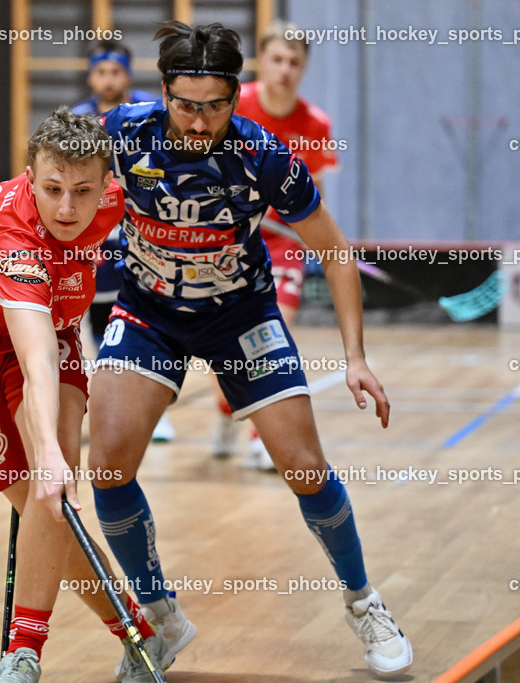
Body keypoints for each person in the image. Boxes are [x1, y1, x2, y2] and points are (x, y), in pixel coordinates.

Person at [87, 22, 413, 678]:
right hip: (149, 312)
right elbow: (43, 183)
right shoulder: (123, 132)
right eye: (185, 103)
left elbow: (335, 252)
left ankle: (364, 601)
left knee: (302, 466)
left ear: (237, 96)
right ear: (163, 90)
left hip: (241, 316)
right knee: (108, 462)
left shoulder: (265, 155)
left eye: (213, 105)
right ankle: (160, 616)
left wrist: (354, 357)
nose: (199, 120)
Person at [0, 108, 167, 683]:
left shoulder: (115, 196)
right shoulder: (11, 237)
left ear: (106, 184)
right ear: (29, 178)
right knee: (40, 495)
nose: (66, 210)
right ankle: (142, 628)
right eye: (51, 190)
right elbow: (33, 363)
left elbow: (50, 348)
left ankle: (21, 656)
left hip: (51, 326)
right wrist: (47, 458)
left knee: (49, 502)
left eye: (82, 192)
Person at [208, 20, 342, 469]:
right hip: (227, 235)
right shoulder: (233, 105)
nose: (285, 69)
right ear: (261, 62)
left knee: (269, 331)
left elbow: (315, 193)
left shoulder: (315, 123)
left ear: (304, 68)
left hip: (282, 244)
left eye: (294, 62)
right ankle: (227, 411)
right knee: (222, 341)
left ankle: (258, 435)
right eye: (277, 60)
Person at [73, 41, 175, 442]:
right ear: (90, 76)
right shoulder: (78, 121)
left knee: (148, 323)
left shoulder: (149, 114)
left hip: (143, 234)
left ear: (128, 74)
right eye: (102, 72)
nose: (109, 80)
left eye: (116, 72)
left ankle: (156, 413)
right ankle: (108, 412)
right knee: (102, 327)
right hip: (97, 238)